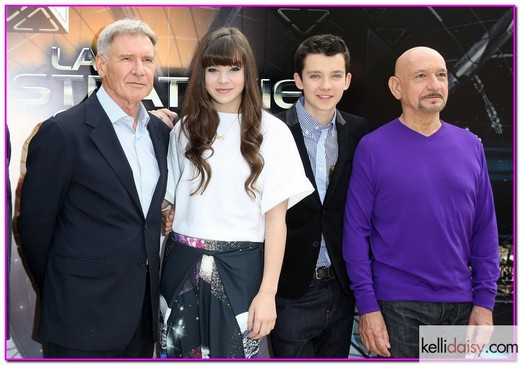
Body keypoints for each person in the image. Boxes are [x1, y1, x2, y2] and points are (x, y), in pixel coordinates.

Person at [17, 18, 171, 358]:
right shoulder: (63, 132)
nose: (139, 70)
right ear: (101, 64)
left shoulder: (160, 134)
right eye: (126, 59)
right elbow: (33, 226)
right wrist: (63, 286)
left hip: (142, 319)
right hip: (79, 316)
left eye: (147, 59)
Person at [158, 27, 314, 359]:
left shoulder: (273, 132)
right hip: (180, 269)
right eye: (213, 69)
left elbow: (276, 221)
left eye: (233, 68)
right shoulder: (184, 130)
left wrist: (268, 293)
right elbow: (170, 202)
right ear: (202, 74)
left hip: (242, 273)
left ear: (248, 72)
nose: (223, 79)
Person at [343, 46, 500, 358]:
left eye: (441, 75)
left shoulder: (470, 147)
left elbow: (484, 230)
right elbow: (355, 231)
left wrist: (484, 302)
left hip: (461, 306)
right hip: (398, 307)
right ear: (396, 87)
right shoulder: (373, 148)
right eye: (421, 76)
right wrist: (369, 308)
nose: (435, 85)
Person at [269, 34, 369, 358]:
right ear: (297, 80)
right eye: (315, 76)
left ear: (348, 80)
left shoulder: (359, 131)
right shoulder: (271, 131)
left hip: (340, 290)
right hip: (290, 290)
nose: (326, 86)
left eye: (335, 75)